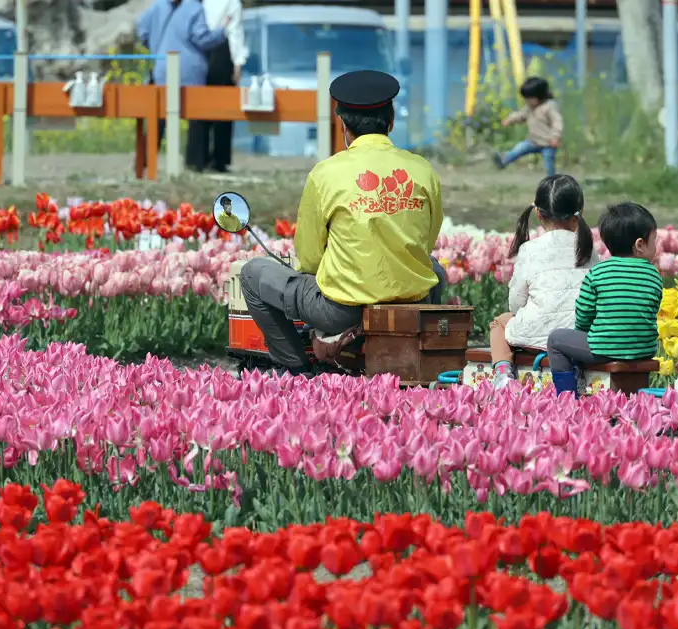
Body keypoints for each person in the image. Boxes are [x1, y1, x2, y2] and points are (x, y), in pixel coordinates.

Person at [239, 70, 447, 376]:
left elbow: (309, 258)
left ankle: (296, 368)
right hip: (412, 302)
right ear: (390, 122)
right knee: (436, 270)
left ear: (343, 126)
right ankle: (409, 353)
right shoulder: (422, 169)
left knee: (252, 273)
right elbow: (426, 242)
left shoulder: (326, 173)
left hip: (339, 310)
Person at [489, 174, 598, 389]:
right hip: (578, 339)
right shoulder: (589, 250)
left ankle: (503, 374)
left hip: (535, 339)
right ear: (579, 213)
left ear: (538, 213)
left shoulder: (530, 249)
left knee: (499, 323)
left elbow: (516, 303)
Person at [545, 202, 663, 395]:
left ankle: (566, 397)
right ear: (640, 245)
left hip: (603, 348)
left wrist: (584, 334)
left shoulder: (598, 272)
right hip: (644, 350)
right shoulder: (653, 274)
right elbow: (650, 309)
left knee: (555, 340)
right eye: (654, 240)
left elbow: (583, 313)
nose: (656, 246)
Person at [137, 0, 227, 171]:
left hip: (162, 68)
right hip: (190, 70)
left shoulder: (157, 6)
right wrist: (221, 33)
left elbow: (142, 29)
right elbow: (201, 38)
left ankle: (144, 161)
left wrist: (155, 47)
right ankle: (194, 163)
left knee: (158, 116)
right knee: (197, 117)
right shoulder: (195, 8)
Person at [201, 0, 248, 173]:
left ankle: (198, 157)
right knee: (223, 109)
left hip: (201, 50)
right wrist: (238, 62)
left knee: (198, 107)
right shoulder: (232, 2)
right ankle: (220, 159)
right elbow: (235, 31)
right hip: (223, 51)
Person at [492, 77, 563, 178]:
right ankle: (504, 160)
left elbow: (557, 122)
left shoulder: (550, 106)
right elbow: (521, 115)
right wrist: (510, 119)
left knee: (549, 163)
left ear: (539, 96)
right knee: (518, 149)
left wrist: (555, 137)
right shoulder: (530, 107)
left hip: (548, 143)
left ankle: (551, 180)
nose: (526, 100)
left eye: (529, 98)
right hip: (533, 141)